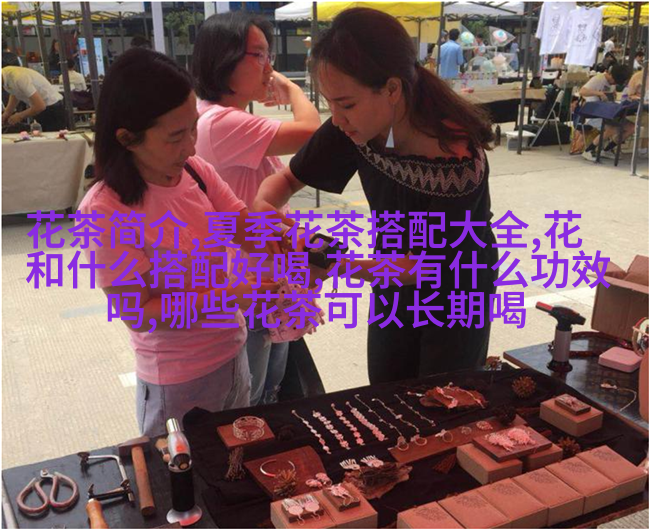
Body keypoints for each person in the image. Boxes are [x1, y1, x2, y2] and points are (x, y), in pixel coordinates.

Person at [253, 8, 498, 384]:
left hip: (457, 288)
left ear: (392, 90)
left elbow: (427, 267)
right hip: (389, 274)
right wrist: (268, 215)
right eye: (330, 104)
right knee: (386, 387)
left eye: (346, 104)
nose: (337, 118)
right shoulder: (354, 126)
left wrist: (334, 263)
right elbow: (281, 182)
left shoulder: (456, 155)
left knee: (443, 396)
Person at [77, 48, 279, 437]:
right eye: (175, 137)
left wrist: (285, 238)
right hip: (178, 382)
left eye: (193, 128)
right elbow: (139, 312)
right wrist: (228, 294)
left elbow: (243, 228)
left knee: (235, 462)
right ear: (127, 138)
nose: (190, 147)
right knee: (183, 475)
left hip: (232, 356)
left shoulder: (195, 172)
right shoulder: (105, 211)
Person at [192, 11, 320, 406]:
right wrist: (292, 88)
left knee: (270, 389)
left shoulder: (222, 117)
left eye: (270, 56)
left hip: (265, 274)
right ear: (224, 59)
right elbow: (314, 134)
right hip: (252, 279)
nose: (270, 68)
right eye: (260, 55)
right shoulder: (220, 122)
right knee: (257, 396)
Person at [580, 64, 634, 161]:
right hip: (593, 113)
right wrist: (599, 93)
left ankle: (607, 149)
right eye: (614, 81)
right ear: (611, 75)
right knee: (612, 128)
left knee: (631, 127)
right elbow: (582, 91)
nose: (613, 84)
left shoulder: (613, 83)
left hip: (607, 113)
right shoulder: (598, 79)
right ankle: (588, 150)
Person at [2, 65, 65, 131]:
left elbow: (40, 106)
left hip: (52, 109)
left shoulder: (19, 78)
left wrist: (19, 116)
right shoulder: (5, 74)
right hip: (41, 108)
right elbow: (15, 93)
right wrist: (7, 113)